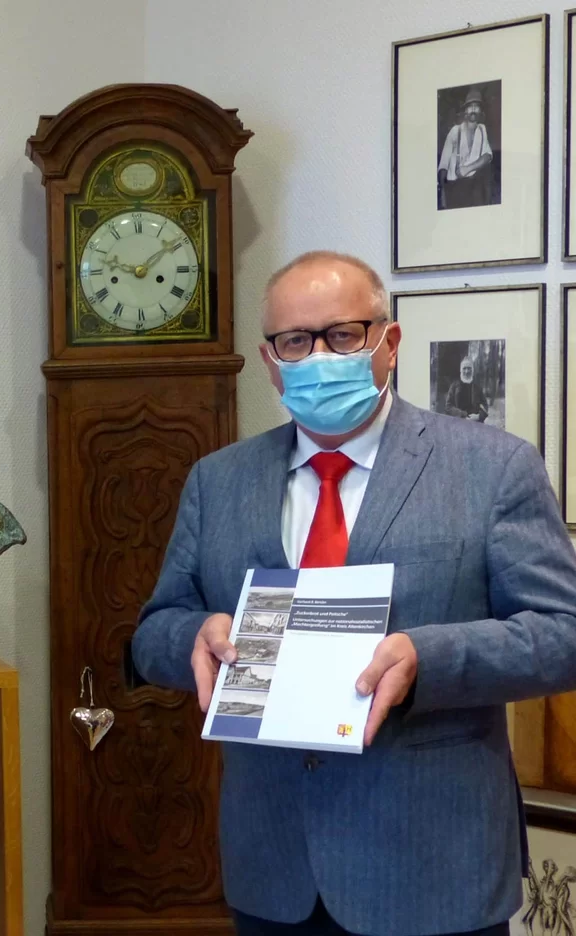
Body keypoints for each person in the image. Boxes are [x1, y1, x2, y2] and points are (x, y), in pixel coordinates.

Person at [131, 250, 576, 936]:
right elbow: (155, 628)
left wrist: (427, 658)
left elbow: (562, 634)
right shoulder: (218, 481)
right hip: (274, 868)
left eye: (342, 335)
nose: (318, 357)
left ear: (388, 343)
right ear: (270, 360)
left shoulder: (491, 468)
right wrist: (195, 637)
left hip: (433, 869)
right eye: (295, 342)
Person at [438, 87, 495, 209]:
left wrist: (468, 168)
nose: (473, 110)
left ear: (480, 111)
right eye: (470, 107)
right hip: (454, 187)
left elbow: (488, 155)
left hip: (473, 187)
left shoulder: (482, 129)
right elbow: (443, 164)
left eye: (476, 106)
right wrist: (442, 193)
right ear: (465, 111)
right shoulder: (455, 131)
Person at [442, 356, 490, 422]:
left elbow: (485, 405)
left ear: (472, 370)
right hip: (458, 422)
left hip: (475, 423)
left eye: (469, 368)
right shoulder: (454, 386)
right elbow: (448, 406)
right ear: (460, 370)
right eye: (464, 368)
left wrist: (478, 416)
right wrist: (462, 414)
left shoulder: (477, 387)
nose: (466, 371)